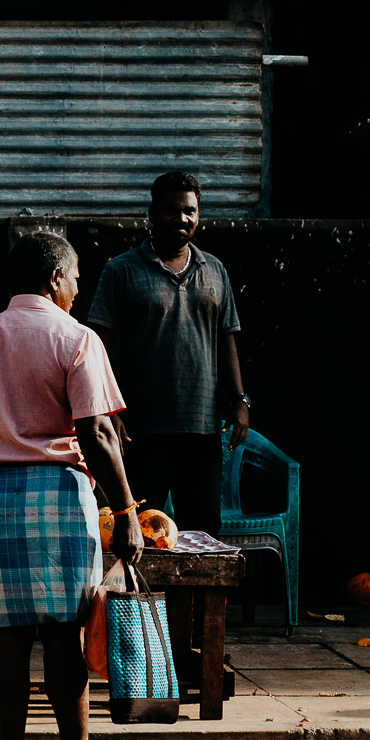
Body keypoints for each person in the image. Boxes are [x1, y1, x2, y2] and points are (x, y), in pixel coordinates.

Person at [0, 232, 144, 740]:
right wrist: (126, 508)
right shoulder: (76, 339)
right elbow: (98, 433)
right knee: (61, 638)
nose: (79, 286)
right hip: (59, 495)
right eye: (77, 275)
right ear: (55, 277)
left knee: (8, 641)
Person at [86, 171, 248, 537]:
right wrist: (109, 410)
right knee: (141, 534)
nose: (182, 219)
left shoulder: (215, 270)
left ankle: (193, 600)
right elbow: (99, 346)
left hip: (202, 427)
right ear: (152, 214)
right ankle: (142, 599)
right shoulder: (121, 270)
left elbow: (227, 338)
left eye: (190, 211)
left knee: (202, 534)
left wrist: (239, 399)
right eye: (172, 211)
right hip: (140, 429)